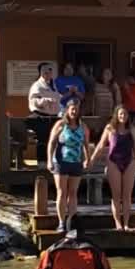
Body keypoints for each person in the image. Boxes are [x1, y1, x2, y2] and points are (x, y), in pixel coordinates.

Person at [88, 105, 135, 231]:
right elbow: (100, 146)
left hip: (129, 161)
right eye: (120, 114)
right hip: (113, 162)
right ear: (116, 115)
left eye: (125, 114)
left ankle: (126, 223)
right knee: (116, 195)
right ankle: (118, 223)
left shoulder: (131, 129)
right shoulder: (110, 128)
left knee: (127, 195)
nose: (123, 117)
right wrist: (91, 159)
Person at [48, 99, 90, 231]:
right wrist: (49, 160)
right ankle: (61, 221)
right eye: (72, 109)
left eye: (76, 109)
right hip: (61, 162)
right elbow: (51, 143)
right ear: (67, 110)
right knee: (62, 192)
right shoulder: (60, 125)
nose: (74, 112)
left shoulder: (83, 126)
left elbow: (86, 144)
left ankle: (71, 221)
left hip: (76, 162)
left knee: (73, 192)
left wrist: (87, 158)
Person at [27, 62, 61, 167]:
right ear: (41, 73)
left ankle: (54, 162)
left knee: (55, 139)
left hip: (53, 117)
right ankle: (42, 164)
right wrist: (45, 101)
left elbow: (58, 98)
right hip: (41, 117)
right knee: (42, 141)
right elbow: (33, 101)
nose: (47, 73)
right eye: (44, 71)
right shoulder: (36, 85)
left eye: (49, 71)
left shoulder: (53, 85)